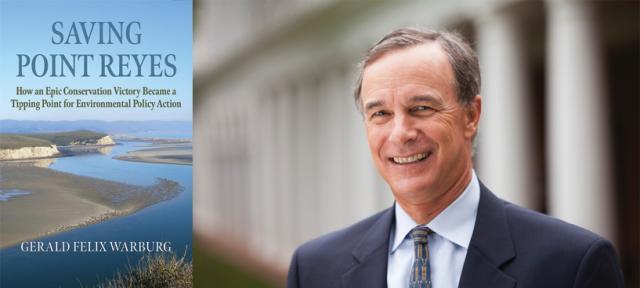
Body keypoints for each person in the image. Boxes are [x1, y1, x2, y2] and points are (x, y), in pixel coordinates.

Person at [286, 27, 625, 288]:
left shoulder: (573, 264)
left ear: (471, 115)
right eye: (380, 114)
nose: (400, 133)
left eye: (421, 108)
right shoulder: (314, 269)